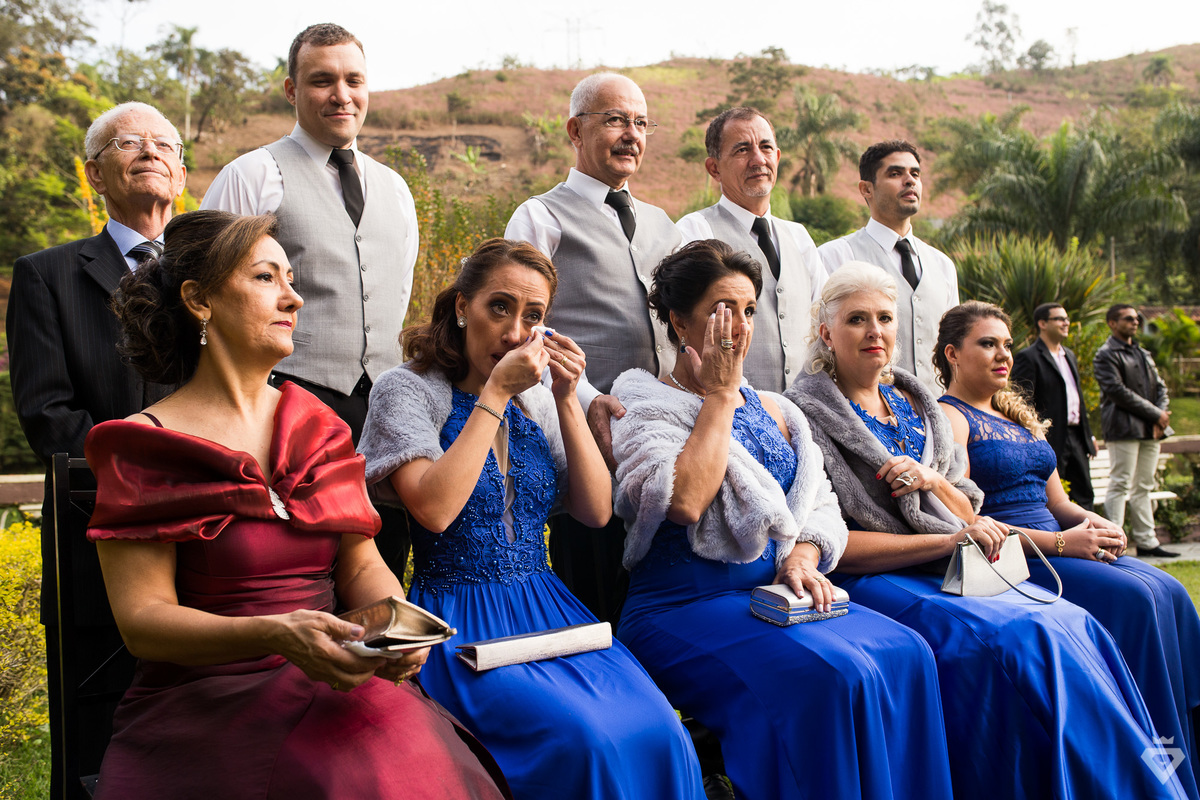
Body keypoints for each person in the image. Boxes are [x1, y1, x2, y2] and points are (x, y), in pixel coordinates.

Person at [84, 211, 509, 799]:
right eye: (266, 278)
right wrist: (277, 634)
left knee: (406, 765)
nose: (295, 298)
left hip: (338, 677)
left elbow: (359, 564)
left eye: (292, 278)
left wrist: (394, 627)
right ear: (198, 300)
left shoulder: (320, 426)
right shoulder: (142, 444)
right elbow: (144, 623)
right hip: (209, 699)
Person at [786, 263, 1188, 800]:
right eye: (856, 319)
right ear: (825, 332)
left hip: (959, 559)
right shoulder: (804, 417)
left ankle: (1130, 780)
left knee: (1070, 621)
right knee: (1022, 637)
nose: (874, 331)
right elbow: (832, 540)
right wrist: (950, 538)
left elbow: (968, 505)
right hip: (882, 572)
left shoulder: (915, 407)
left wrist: (935, 483)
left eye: (884, 317)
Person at [357, 238, 705, 800]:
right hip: (458, 617)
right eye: (499, 307)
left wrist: (567, 398)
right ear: (460, 306)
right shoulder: (408, 390)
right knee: (587, 740)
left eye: (533, 316)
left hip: (548, 602)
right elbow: (435, 510)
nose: (516, 332)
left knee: (661, 727)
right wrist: (495, 392)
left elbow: (593, 512)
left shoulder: (537, 400)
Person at [611, 241, 953, 800]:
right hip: (679, 604)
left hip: (777, 594)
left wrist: (804, 552)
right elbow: (684, 502)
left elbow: (815, 499)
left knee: (908, 653)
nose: (741, 326)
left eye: (750, 310)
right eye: (725, 309)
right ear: (678, 320)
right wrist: (719, 396)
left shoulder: (775, 407)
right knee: (833, 677)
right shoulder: (642, 401)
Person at [937, 300, 1200, 795]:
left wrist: (1097, 524)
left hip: (1066, 542)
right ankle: (1150, 751)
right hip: (1021, 557)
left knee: (1169, 591)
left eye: (1007, 345)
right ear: (953, 354)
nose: (1003, 355)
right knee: (1137, 600)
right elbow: (967, 517)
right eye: (987, 344)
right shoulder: (950, 419)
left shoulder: (1019, 418)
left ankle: (1184, 740)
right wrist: (1063, 543)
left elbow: (1060, 502)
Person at [7, 100, 184, 788]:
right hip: (100, 530)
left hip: (213, 533)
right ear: (94, 176)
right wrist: (158, 469)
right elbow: (48, 415)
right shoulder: (47, 275)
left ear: (180, 167)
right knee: (100, 739)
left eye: (163, 143)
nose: (150, 151)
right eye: (128, 142)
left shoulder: (214, 275)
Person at [201, 23, 416, 574]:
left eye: (353, 80)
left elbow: (396, 294)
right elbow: (209, 297)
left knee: (384, 561)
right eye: (321, 81)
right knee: (303, 566)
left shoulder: (395, 188)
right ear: (292, 91)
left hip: (386, 411)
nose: (341, 95)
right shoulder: (252, 175)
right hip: (289, 402)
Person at [505, 72, 681, 621]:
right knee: (597, 585)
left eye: (641, 123)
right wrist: (585, 402)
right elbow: (525, 329)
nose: (632, 134)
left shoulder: (664, 225)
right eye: (615, 120)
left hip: (661, 434)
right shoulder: (541, 215)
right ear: (575, 131)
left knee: (663, 580)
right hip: (581, 430)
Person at [675, 107, 826, 392]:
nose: (758, 160)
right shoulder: (695, 231)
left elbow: (826, 322)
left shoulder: (799, 237)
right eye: (742, 150)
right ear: (714, 168)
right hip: (735, 412)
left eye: (766, 147)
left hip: (806, 415)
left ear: (777, 157)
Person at [818, 140, 958, 395]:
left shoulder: (943, 265)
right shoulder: (835, 256)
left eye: (915, 174)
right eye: (895, 173)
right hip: (865, 415)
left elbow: (954, 351)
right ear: (866, 189)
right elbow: (819, 344)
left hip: (938, 415)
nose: (909, 180)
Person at [1094, 303, 1179, 558]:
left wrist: (1161, 416)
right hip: (1123, 428)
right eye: (1129, 319)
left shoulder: (1143, 353)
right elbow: (1118, 392)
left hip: (1151, 430)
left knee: (1144, 485)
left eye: (1136, 319)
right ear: (1112, 322)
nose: (1135, 323)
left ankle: (1147, 541)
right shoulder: (1106, 354)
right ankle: (1113, 541)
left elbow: (1161, 387)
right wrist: (1156, 414)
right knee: (1120, 483)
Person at [1010, 302, 1097, 509]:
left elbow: (1077, 400)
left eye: (1066, 319)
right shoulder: (1028, 357)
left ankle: (1092, 539)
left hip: (1076, 436)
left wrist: (1088, 435)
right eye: (1059, 319)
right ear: (1042, 323)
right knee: (1053, 497)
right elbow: (1022, 402)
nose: (1066, 323)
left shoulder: (1070, 356)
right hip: (1049, 437)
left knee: (1084, 493)